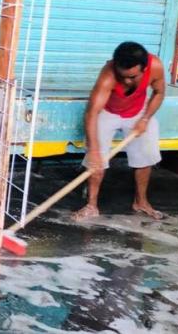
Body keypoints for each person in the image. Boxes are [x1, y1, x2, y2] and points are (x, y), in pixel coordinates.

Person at [72, 41, 166, 221]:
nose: (126, 81)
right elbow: (92, 113)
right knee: (96, 158)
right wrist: (93, 150)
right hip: (107, 112)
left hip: (138, 112)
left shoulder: (155, 66)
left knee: (145, 155)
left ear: (144, 69)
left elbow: (159, 93)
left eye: (132, 77)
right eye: (122, 76)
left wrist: (145, 118)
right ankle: (91, 205)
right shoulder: (108, 75)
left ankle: (141, 202)